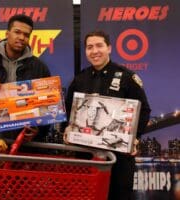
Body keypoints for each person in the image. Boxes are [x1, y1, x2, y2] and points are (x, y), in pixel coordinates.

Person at [64, 30, 151, 200]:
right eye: (90, 47)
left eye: (99, 46)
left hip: (119, 158)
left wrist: (135, 137)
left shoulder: (126, 77)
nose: (94, 51)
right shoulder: (79, 79)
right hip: (86, 155)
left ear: (109, 48)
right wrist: (68, 127)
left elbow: (144, 110)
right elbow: (69, 109)